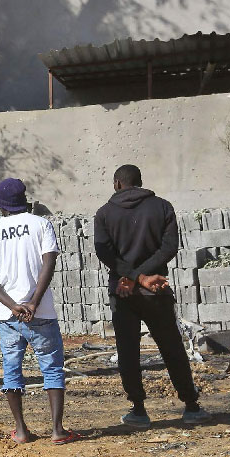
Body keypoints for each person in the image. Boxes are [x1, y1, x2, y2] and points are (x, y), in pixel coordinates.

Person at [93, 164, 209, 427]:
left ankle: (139, 410)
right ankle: (191, 405)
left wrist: (132, 277)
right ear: (140, 182)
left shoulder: (104, 214)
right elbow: (169, 248)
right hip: (155, 289)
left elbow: (105, 254)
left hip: (123, 291)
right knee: (171, 346)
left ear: (117, 184)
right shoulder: (163, 207)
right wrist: (145, 276)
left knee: (128, 351)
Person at [0, 178, 76, 444]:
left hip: (8, 317)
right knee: (53, 369)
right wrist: (33, 301)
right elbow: (49, 264)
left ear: (0, 205)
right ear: (26, 200)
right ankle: (57, 430)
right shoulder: (41, 224)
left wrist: (13, 305)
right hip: (41, 312)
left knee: (12, 372)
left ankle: (21, 430)